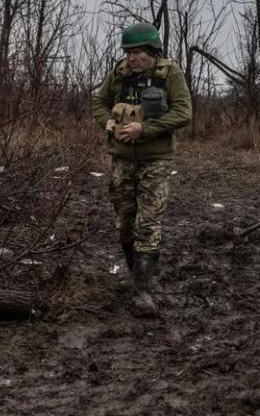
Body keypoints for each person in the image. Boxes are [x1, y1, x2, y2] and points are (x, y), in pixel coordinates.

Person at [92, 22, 193, 317]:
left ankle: (143, 290)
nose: (132, 58)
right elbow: (99, 101)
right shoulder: (119, 73)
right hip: (122, 159)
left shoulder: (169, 74)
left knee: (147, 223)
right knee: (125, 221)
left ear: (152, 51)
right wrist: (106, 122)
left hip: (156, 160)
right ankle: (135, 273)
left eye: (137, 53)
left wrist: (145, 129)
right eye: (128, 52)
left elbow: (184, 112)